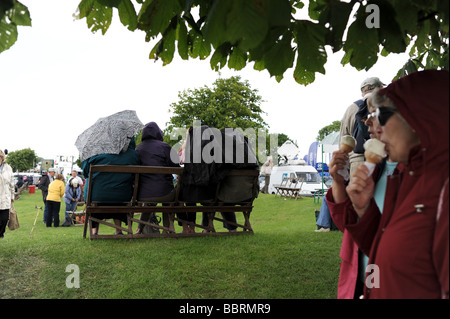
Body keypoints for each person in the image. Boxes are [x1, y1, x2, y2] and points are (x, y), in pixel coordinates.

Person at [339, 70, 448, 298]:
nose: (377, 128)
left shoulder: (443, 187)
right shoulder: (406, 175)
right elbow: (387, 253)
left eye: (382, 115)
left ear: (419, 116)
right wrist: (365, 210)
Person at [325, 93, 399, 298]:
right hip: (358, 276)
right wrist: (338, 180)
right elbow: (347, 224)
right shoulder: (372, 166)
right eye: (367, 113)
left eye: (375, 113)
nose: (366, 121)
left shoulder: (415, 175)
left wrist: (365, 210)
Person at [82, 137, 140, 235]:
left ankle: (94, 231)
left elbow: (85, 172)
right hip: (122, 196)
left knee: (94, 187)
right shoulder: (133, 155)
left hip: (97, 196)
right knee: (117, 190)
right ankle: (118, 230)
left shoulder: (95, 152)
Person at [134, 122, 180, 234]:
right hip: (166, 193)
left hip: (143, 195)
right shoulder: (165, 147)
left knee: (149, 200)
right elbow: (177, 167)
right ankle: (169, 227)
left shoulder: (137, 149)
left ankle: (139, 228)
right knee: (168, 195)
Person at [339, 77, 385, 180]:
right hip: (381, 159)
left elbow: (343, 140)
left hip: (356, 162)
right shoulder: (384, 104)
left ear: (362, 92)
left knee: (358, 194)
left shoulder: (351, 109)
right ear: (381, 88)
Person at [0, 149, 15, 239]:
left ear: (2, 158)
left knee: (5, 219)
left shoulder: (8, 168)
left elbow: (11, 183)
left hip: (5, 198)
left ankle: (1, 233)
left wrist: (12, 196)